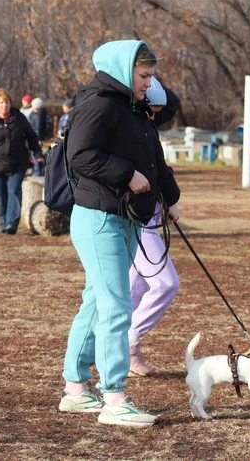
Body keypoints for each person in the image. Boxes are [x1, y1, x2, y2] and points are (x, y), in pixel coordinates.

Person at [59, 40, 180, 427]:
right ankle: (114, 399)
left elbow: (154, 159)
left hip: (124, 217)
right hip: (99, 219)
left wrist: (170, 198)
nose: (149, 83)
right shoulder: (98, 102)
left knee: (97, 302)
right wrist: (127, 175)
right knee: (116, 307)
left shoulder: (132, 107)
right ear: (123, 69)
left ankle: (76, 391)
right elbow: (80, 155)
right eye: (144, 75)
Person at [127, 76, 181, 377]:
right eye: (153, 110)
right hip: (138, 222)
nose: (158, 116)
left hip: (151, 218)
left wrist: (154, 85)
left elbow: (171, 101)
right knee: (165, 283)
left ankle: (123, 351)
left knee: (134, 288)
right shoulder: (132, 130)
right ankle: (129, 341)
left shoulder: (147, 127)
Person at [0, 88, 43, 235]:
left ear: (10, 104)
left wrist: (37, 153)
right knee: (0, 195)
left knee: (13, 191)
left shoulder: (19, 119)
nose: (4, 106)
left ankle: (11, 224)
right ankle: (3, 222)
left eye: (7, 102)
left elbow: (31, 137)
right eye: (1, 103)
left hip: (17, 164)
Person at [28, 97, 47, 176]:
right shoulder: (34, 113)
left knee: (36, 154)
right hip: (33, 136)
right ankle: (36, 170)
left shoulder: (39, 115)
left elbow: (38, 128)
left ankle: (37, 171)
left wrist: (38, 139)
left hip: (36, 138)